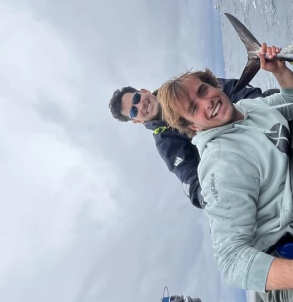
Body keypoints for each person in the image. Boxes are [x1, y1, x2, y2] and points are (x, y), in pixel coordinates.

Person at [157, 44, 293, 302]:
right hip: (286, 269)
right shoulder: (221, 164)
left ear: (214, 85)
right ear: (193, 126)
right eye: (194, 108)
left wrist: (279, 71)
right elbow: (231, 260)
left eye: (203, 91)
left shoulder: (249, 109)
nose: (207, 102)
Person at [108, 80, 271, 209]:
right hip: (248, 164)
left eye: (136, 98)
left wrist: (261, 108)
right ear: (136, 121)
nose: (140, 105)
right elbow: (193, 185)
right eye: (133, 111)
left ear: (144, 91)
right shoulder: (166, 144)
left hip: (258, 121)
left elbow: (232, 89)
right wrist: (214, 196)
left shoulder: (181, 87)